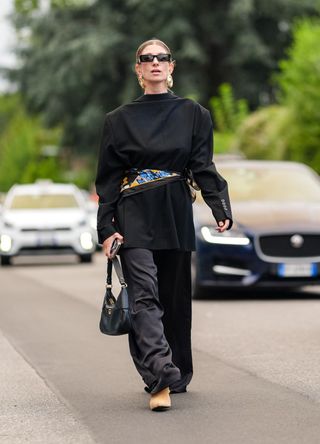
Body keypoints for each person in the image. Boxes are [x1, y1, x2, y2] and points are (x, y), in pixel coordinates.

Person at [95, 38, 232, 412]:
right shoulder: (118, 120)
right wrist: (106, 228)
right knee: (144, 297)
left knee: (174, 299)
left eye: (162, 57)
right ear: (138, 69)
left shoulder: (194, 114)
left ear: (172, 67)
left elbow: (203, 166)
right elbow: (107, 180)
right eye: (146, 58)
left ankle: (177, 371)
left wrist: (219, 205)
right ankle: (159, 375)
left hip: (174, 210)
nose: (155, 62)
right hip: (133, 212)